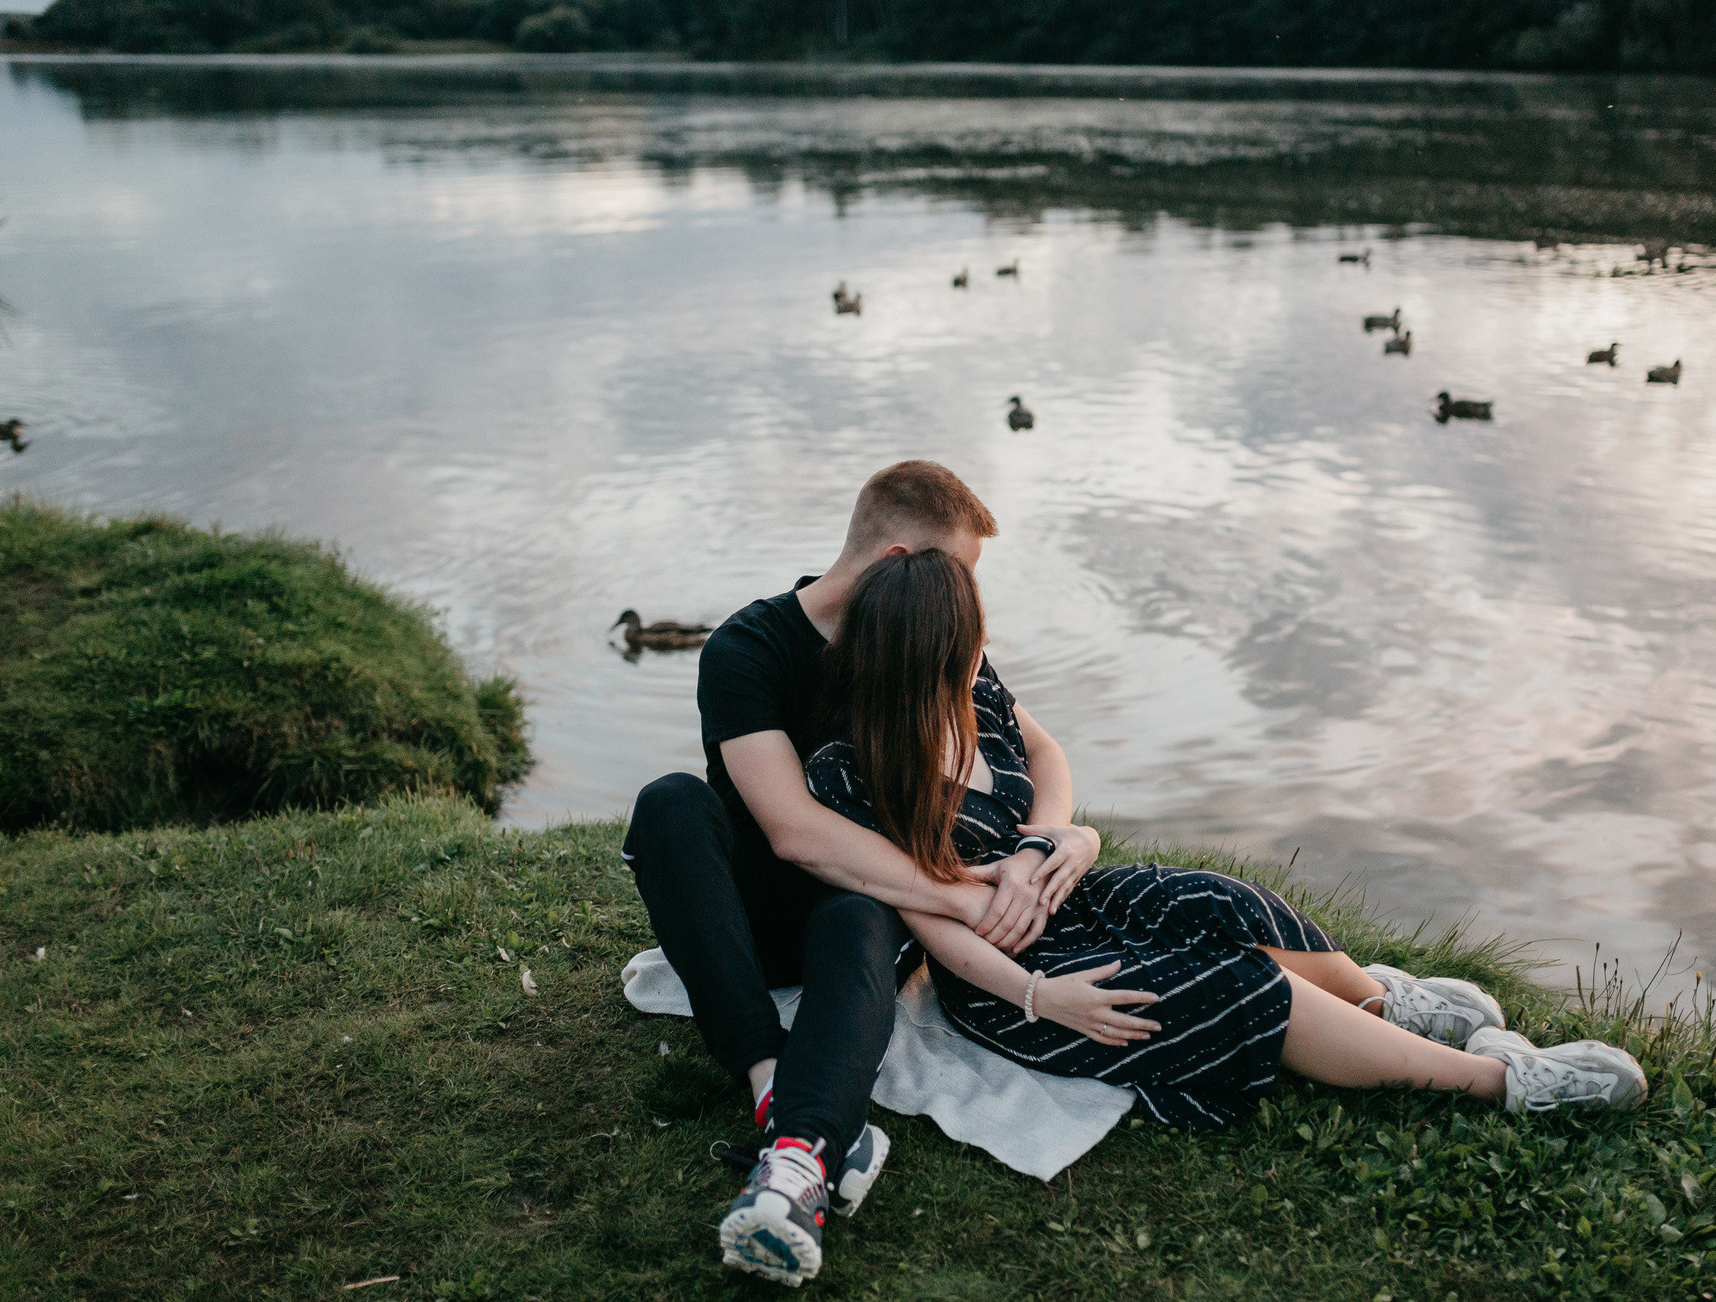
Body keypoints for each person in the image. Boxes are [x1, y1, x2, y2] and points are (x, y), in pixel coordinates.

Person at [802, 549, 1649, 1139]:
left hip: (1061, 894)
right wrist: (1037, 997)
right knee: (1230, 985)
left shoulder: (976, 694)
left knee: (1212, 897)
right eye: (967, 635)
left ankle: (1380, 1003)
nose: (981, 648)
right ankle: (1505, 1084)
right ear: (922, 649)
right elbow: (927, 915)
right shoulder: (855, 771)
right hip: (1006, 975)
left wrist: (1062, 838)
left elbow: (1048, 755)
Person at [621, 462, 1095, 1286]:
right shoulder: (749, 647)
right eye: (960, 571)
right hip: (765, 917)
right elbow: (794, 832)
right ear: (899, 558)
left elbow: (1041, 747)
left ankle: (796, 1159)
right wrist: (963, 896)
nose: (966, 597)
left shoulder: (930, 632)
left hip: (875, 919)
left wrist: (1043, 845)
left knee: (858, 904)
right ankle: (774, 1085)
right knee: (670, 804)